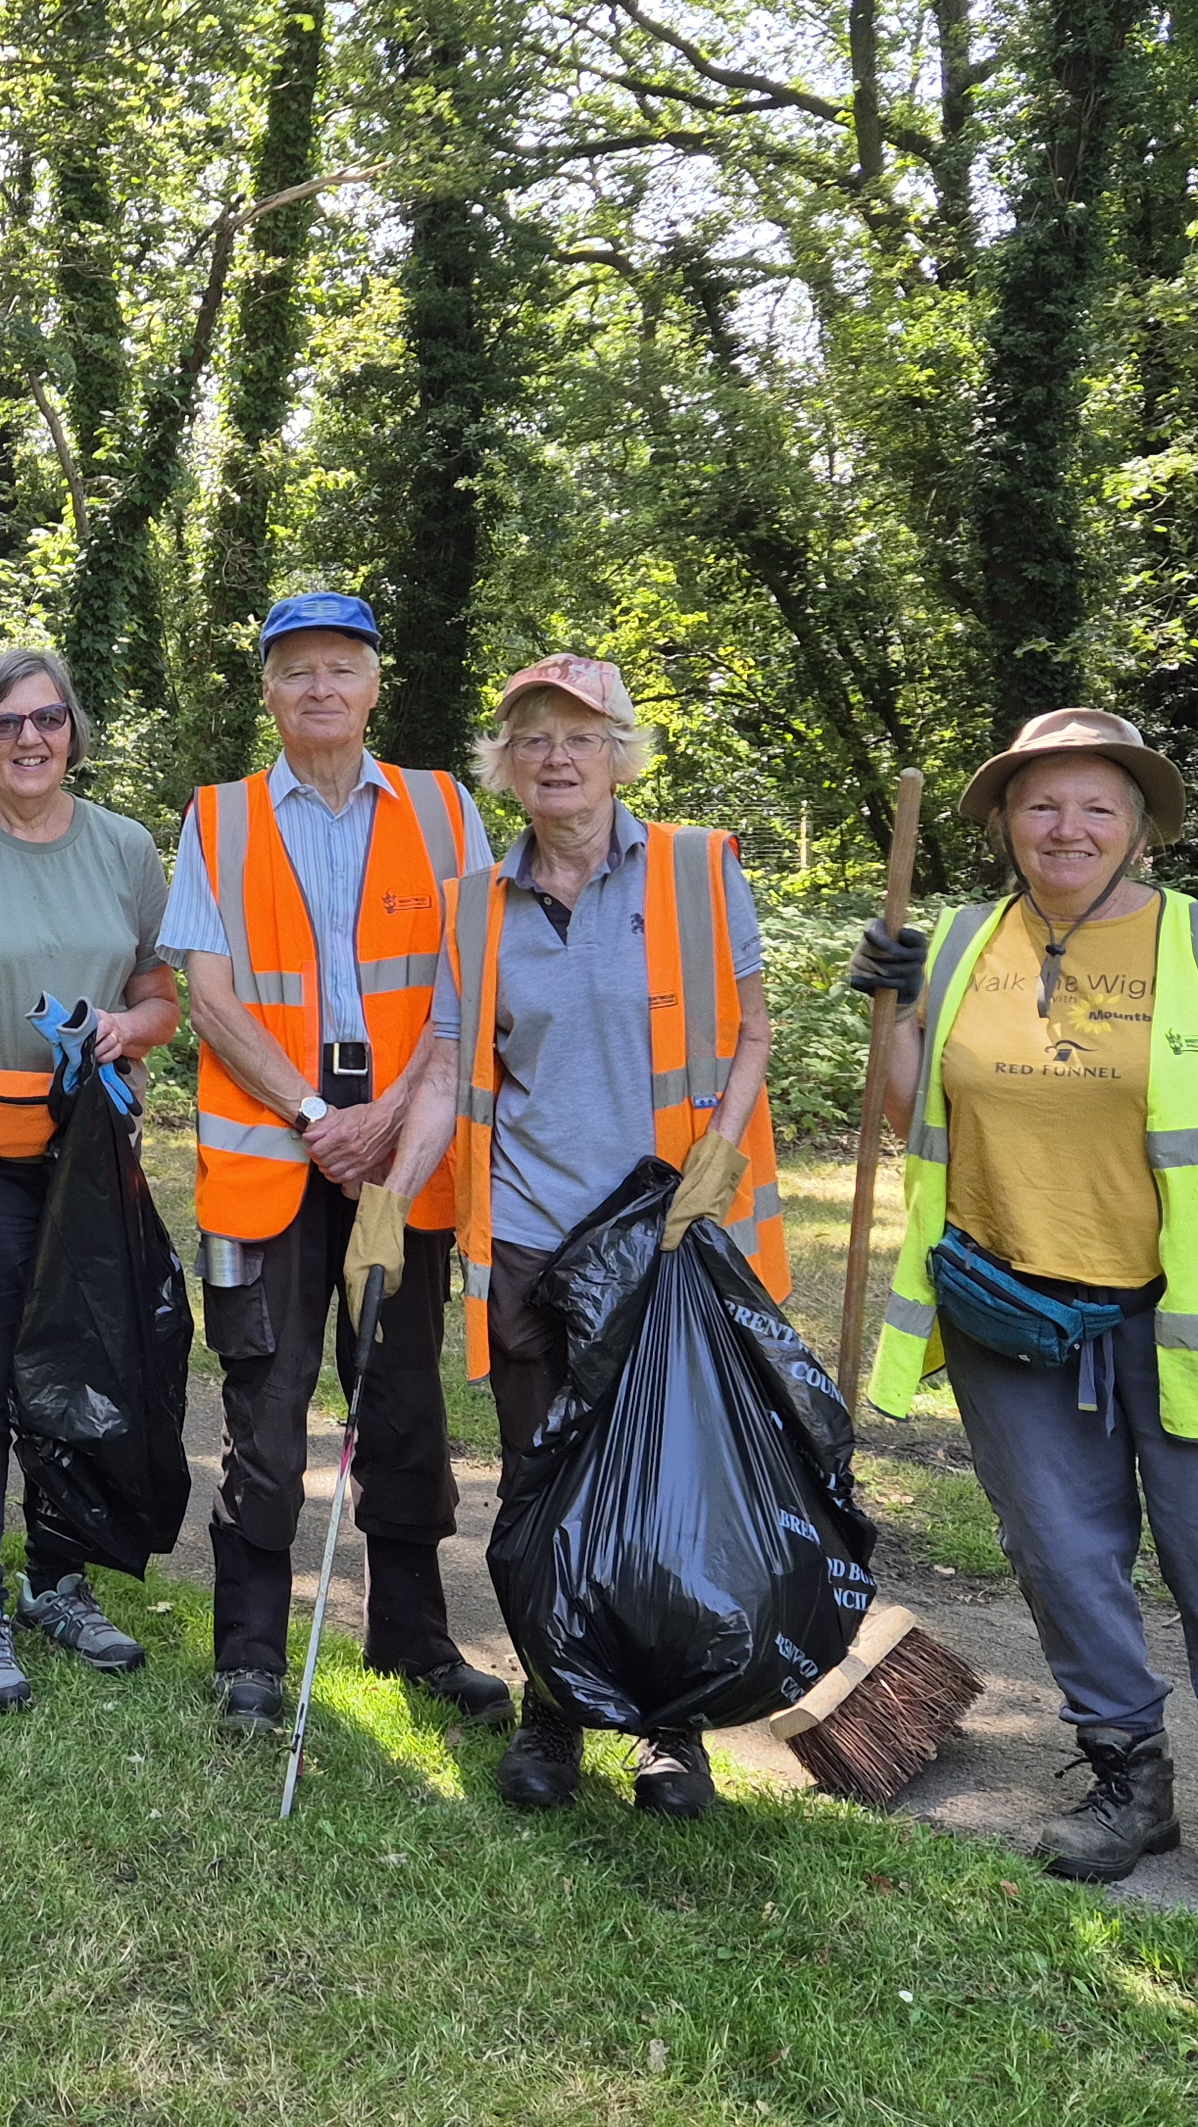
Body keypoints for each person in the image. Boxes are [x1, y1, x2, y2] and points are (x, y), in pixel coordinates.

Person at [850, 708, 1198, 1956]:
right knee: (1064, 1556)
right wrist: (891, 1011)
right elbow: (911, 1112)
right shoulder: (964, 940)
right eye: (1040, 803)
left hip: (1188, 1312)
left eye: (1096, 804)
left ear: (1140, 824)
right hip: (1013, 1308)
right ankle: (1125, 1781)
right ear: (1002, 822)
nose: (1065, 826)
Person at [389, 653, 784, 1819]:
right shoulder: (478, 901)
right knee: (542, 1480)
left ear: (622, 752)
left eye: (581, 733)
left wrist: (717, 1152)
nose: (556, 755)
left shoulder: (702, 871)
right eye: (532, 737)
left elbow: (755, 1032)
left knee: (665, 1480)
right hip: (527, 1232)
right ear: (502, 764)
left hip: (664, 1236)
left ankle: (668, 1728)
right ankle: (555, 1709)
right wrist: (387, 1194)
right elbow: (454, 1065)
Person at [162, 591, 510, 1739]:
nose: (319, 687)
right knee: (264, 1403)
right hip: (275, 1153)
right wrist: (319, 1111)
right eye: (295, 669)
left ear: (374, 685)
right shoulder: (216, 816)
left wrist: (392, 1111)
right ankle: (250, 1653)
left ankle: (410, 1636)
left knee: (403, 1400)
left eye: (340, 668)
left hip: (403, 1149)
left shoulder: (445, 806)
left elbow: (470, 990)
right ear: (266, 689)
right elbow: (207, 997)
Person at [0, 646, 179, 1709]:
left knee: (78, 1366)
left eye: (47, 719)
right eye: (6, 723)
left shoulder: (125, 846)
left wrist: (117, 1026)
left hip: (88, 1154)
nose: (28, 739)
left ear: (72, 731)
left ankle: (56, 1578)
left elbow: (161, 997)